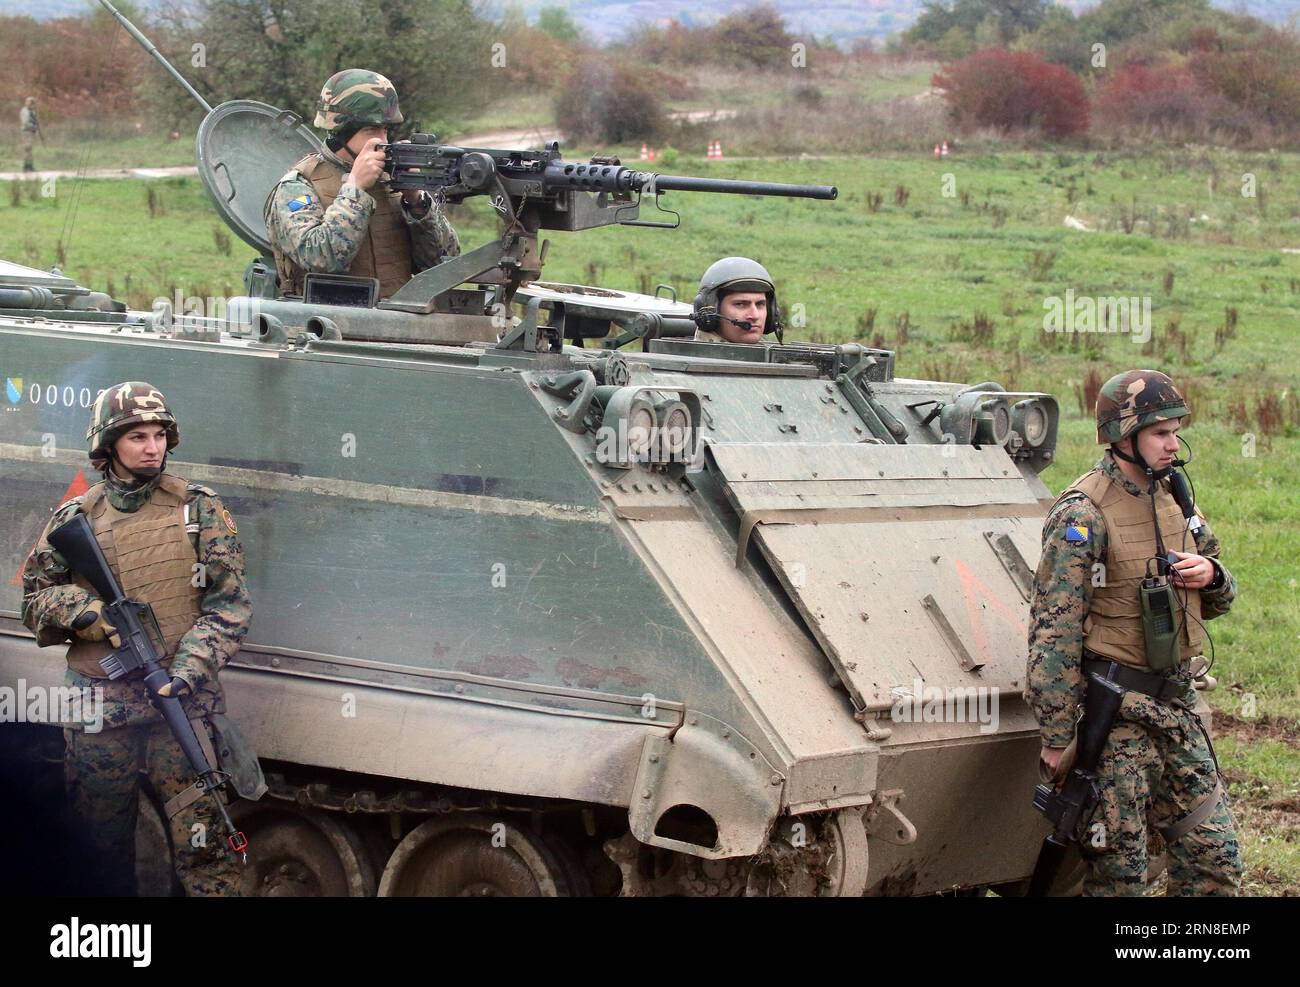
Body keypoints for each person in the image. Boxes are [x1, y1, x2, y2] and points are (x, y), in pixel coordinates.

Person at [21, 382, 254, 895]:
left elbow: (229, 606)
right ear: (108, 447)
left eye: (159, 435)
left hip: (182, 708)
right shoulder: (77, 519)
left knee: (206, 848)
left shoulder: (199, 510)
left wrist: (186, 671)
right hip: (102, 713)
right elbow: (34, 601)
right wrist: (86, 613)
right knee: (97, 852)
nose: (153, 448)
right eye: (137, 437)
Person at [1026, 369, 1242, 896]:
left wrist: (1212, 576)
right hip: (1116, 716)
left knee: (1215, 859)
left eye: (1175, 430)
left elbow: (1218, 595)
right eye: (1160, 433)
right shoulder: (1083, 513)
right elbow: (1054, 629)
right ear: (1124, 437)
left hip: (1177, 705)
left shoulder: (1176, 495)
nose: (1174, 443)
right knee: (1120, 878)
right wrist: (1057, 737)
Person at [263, 69, 460, 300]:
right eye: (371, 130)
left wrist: (417, 203)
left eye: (385, 130)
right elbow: (320, 259)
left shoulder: (391, 182)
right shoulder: (298, 186)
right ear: (341, 131)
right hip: (324, 326)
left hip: (398, 321)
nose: (383, 140)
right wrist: (355, 189)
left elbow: (445, 265)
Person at [692, 256, 782, 344]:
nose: (755, 316)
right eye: (740, 304)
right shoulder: (692, 357)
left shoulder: (769, 355)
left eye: (760, 304)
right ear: (708, 312)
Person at [20, 96, 40, 173]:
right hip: (26, 132)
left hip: (31, 133)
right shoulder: (24, 111)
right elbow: (25, 123)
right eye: (30, 103)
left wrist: (36, 129)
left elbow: (35, 121)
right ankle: (26, 166)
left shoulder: (32, 112)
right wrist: (34, 127)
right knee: (27, 149)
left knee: (30, 150)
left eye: (32, 103)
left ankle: (30, 166)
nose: (31, 105)